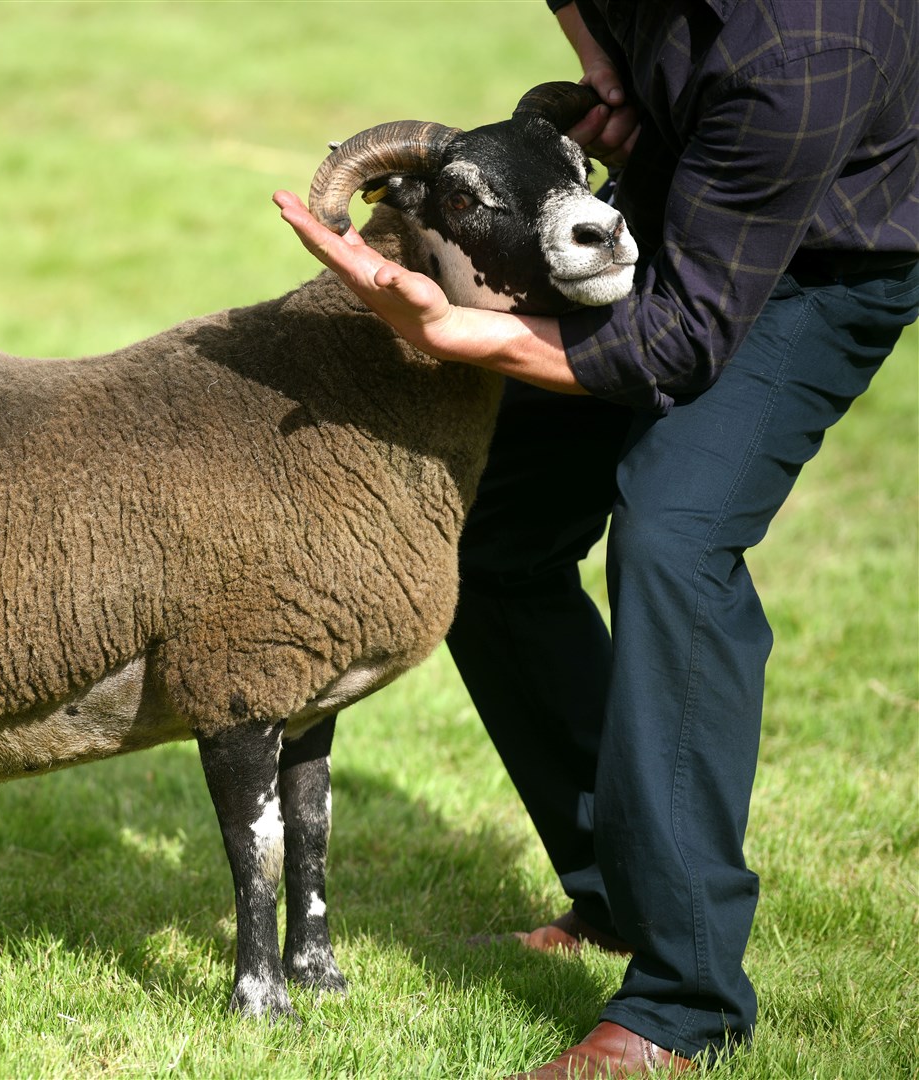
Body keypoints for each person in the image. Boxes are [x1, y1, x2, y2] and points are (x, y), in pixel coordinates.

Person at [275, 1, 917, 1076]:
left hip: (818, 264)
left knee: (674, 537)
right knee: (486, 533)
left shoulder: (808, 43)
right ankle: (617, 888)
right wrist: (602, 56)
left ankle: (684, 997)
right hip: (682, 192)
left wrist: (458, 330)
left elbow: (680, 338)